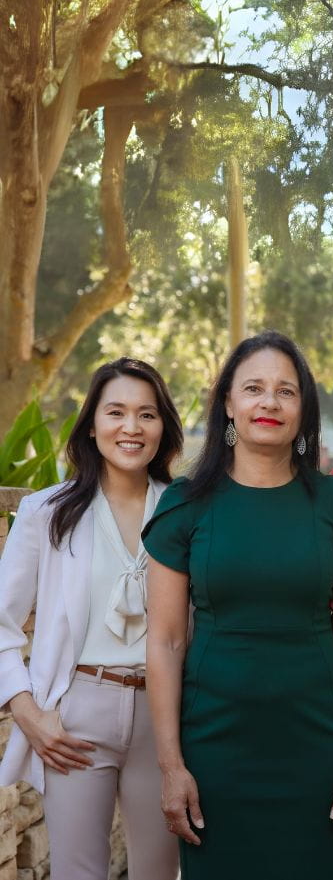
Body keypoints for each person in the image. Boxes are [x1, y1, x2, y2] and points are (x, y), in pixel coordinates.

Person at [143, 330, 333, 879]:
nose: (269, 402)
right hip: (214, 749)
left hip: (317, 747)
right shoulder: (185, 504)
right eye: (253, 388)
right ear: (228, 402)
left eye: (285, 391)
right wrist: (170, 765)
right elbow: (166, 639)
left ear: (304, 408)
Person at [0, 357, 183, 880]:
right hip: (76, 712)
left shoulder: (185, 511)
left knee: (160, 871)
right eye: (116, 412)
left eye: (146, 414)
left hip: (165, 716)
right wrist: (29, 713)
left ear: (163, 427)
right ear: (92, 423)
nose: (131, 427)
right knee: (78, 872)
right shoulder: (45, 512)